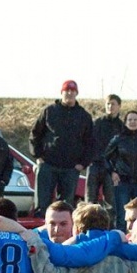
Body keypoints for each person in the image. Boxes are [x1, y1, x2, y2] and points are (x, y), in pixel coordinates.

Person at [29, 80, 93, 214]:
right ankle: (41, 225)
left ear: (76, 93)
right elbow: (35, 134)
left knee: (65, 206)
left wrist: (83, 163)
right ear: (62, 92)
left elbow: (90, 142)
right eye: (67, 90)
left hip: (71, 167)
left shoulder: (84, 116)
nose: (70, 93)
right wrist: (38, 156)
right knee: (42, 204)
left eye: (73, 91)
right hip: (48, 164)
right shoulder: (49, 111)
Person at [88, 95, 123, 207]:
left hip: (112, 168)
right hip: (95, 165)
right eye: (108, 104)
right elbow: (87, 142)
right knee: (90, 201)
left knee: (110, 202)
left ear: (119, 106)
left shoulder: (122, 127)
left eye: (113, 104)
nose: (110, 106)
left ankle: (110, 219)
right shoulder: (97, 123)